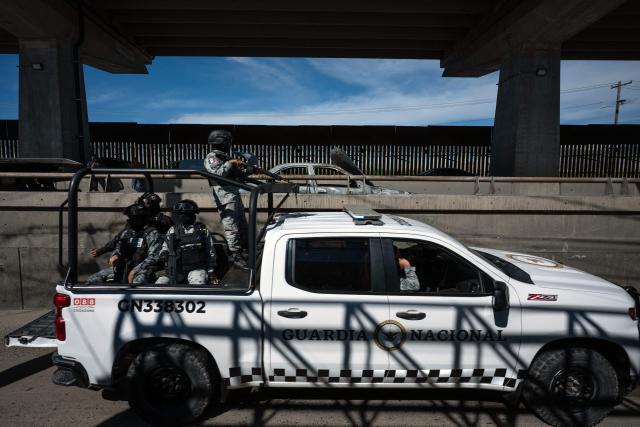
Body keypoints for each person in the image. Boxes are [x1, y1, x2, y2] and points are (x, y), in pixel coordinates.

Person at [203, 129, 250, 268]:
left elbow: (238, 175)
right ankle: (234, 255)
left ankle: (244, 251)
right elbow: (218, 173)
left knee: (242, 225)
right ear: (221, 141)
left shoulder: (224, 156)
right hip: (224, 196)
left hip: (233, 193)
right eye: (227, 141)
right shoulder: (212, 157)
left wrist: (247, 169)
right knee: (231, 227)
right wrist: (231, 163)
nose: (229, 144)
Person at [86, 203, 163, 284]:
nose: (129, 220)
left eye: (133, 218)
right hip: (124, 267)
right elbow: (119, 247)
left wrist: (135, 270)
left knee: (137, 282)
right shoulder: (127, 233)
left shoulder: (152, 233)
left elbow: (154, 256)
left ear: (141, 218)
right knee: (93, 280)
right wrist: (116, 255)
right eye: (129, 217)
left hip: (143, 269)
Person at [155, 200, 220, 286]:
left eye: (186, 214)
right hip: (176, 269)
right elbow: (165, 247)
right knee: (160, 284)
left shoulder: (202, 230)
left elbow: (210, 252)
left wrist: (211, 271)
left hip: (197, 269)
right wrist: (163, 253)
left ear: (193, 214)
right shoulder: (173, 230)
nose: (183, 216)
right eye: (180, 214)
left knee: (198, 283)